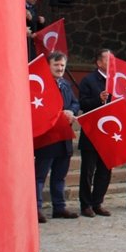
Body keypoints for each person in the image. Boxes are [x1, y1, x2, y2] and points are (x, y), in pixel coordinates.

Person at [35, 51, 80, 222]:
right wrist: (59, 113)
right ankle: (36, 208)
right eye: (56, 65)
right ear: (49, 66)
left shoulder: (66, 84)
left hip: (64, 136)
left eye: (62, 65)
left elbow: (76, 103)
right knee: (40, 175)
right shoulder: (41, 85)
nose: (60, 68)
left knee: (60, 175)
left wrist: (72, 111)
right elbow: (39, 108)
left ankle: (59, 207)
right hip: (47, 137)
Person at [77, 48, 116, 217]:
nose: (112, 63)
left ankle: (97, 201)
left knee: (105, 169)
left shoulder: (117, 80)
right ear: (99, 62)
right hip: (92, 132)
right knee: (88, 170)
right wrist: (98, 100)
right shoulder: (88, 80)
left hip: (110, 132)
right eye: (108, 60)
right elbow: (83, 104)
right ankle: (85, 204)